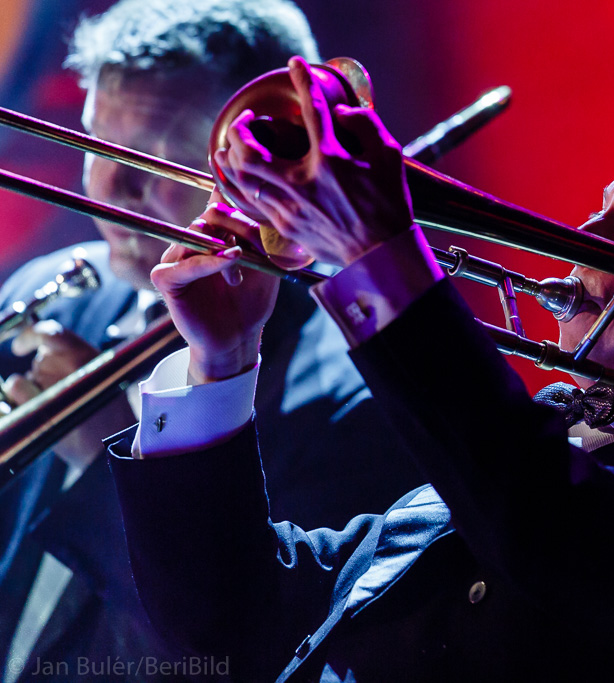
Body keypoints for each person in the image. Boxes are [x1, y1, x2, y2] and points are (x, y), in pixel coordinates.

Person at [107, 57, 614, 681]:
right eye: (602, 211)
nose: (583, 235)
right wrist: (223, 359)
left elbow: (553, 532)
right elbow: (229, 625)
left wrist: (381, 255)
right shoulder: (538, 435)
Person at [0, 6, 421, 681]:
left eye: (153, 158)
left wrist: (107, 462)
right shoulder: (55, 290)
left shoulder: (351, 407)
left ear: (264, 162)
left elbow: (242, 652)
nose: (108, 190)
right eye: (97, 144)